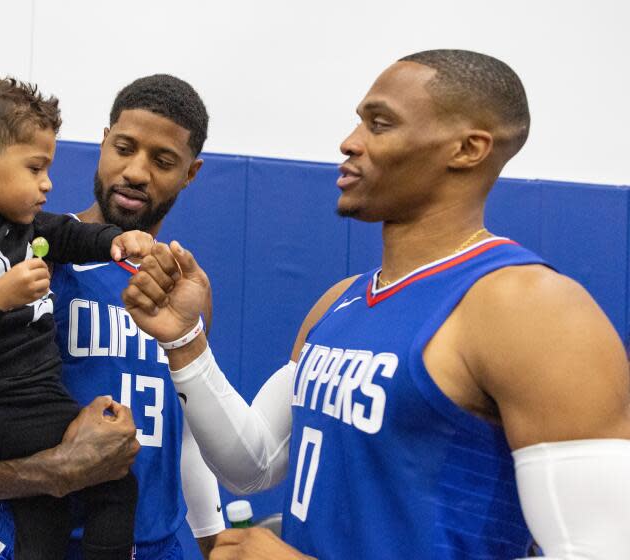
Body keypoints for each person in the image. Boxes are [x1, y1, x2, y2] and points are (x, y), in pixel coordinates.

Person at [122, 50, 630, 559]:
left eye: (379, 124)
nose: (350, 142)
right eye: (358, 121)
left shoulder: (532, 309)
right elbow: (253, 465)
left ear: (468, 149)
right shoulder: (338, 304)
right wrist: (185, 339)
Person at [0, 74, 225, 559]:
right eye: (124, 147)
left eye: (163, 161)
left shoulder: (186, 289)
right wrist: (57, 470)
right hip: (37, 545)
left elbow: (180, 440)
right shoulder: (23, 257)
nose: (137, 172)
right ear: (103, 142)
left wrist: (214, 541)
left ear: (191, 172)